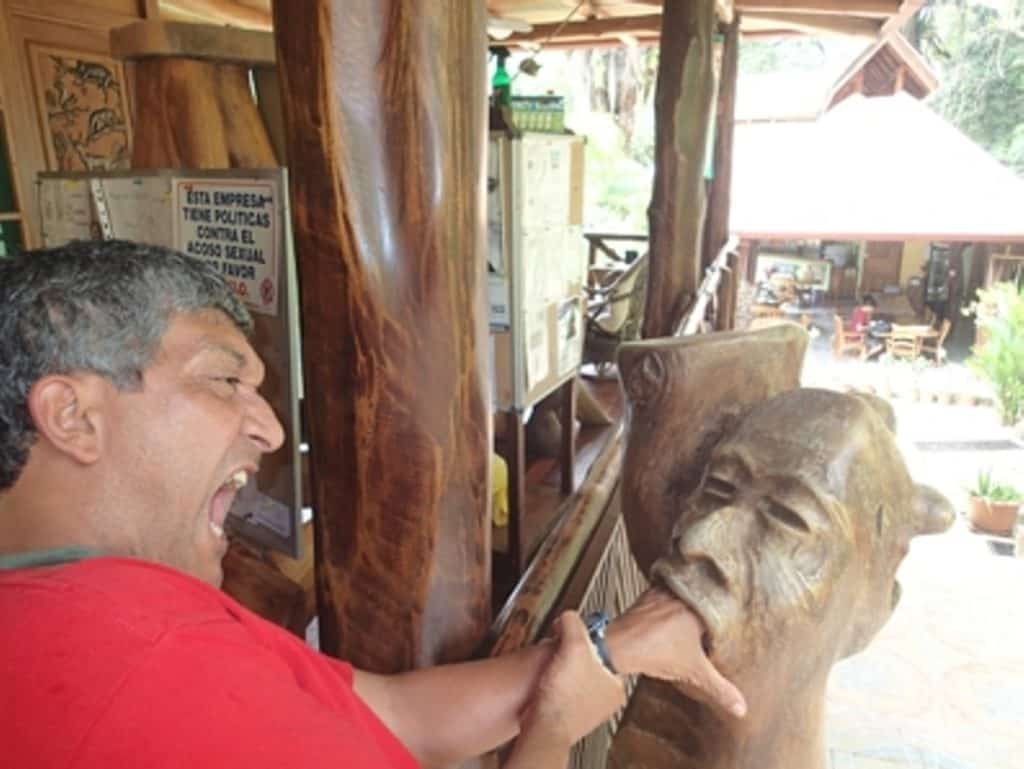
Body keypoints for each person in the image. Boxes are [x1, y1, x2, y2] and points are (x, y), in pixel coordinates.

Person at [0, 240, 746, 769]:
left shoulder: (122, 603)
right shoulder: (140, 671)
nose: (267, 425)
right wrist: (551, 735)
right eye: (225, 381)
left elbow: (394, 712)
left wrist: (616, 645)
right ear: (72, 416)